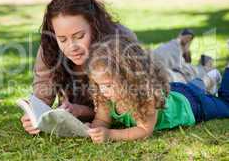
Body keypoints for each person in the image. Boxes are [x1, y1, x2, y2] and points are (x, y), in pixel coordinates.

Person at [21, 0, 138, 135]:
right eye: (62, 39)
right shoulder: (50, 47)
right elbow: (42, 95)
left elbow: (128, 108)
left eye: (79, 36)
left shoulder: (120, 41)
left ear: (95, 27)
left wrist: (81, 111)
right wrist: (34, 116)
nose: (72, 47)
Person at [85, 37, 229, 143]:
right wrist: (95, 129)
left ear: (129, 79)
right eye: (99, 84)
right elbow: (101, 120)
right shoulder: (106, 96)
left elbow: (144, 130)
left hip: (193, 106)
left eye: (108, 85)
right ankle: (207, 80)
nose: (103, 90)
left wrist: (110, 135)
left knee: (225, 104)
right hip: (177, 92)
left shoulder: (145, 97)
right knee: (192, 88)